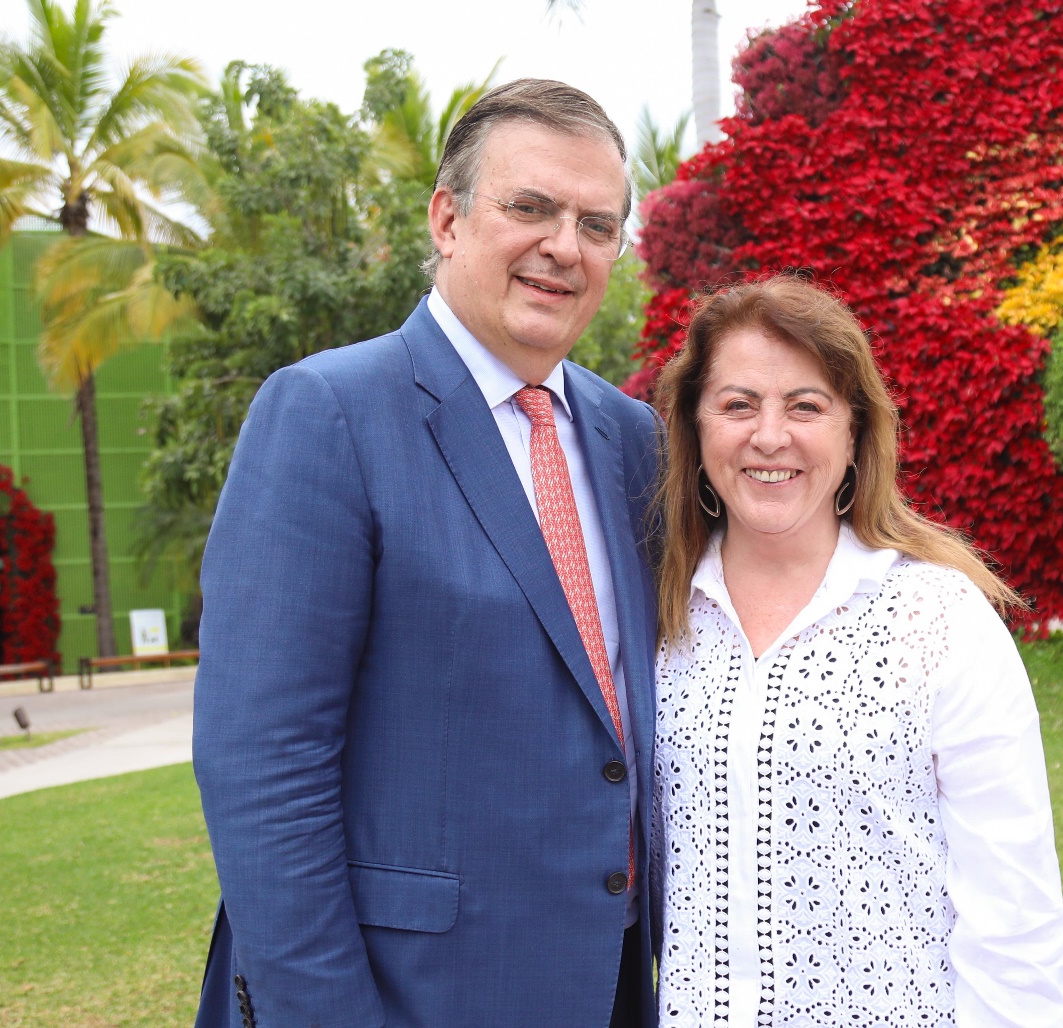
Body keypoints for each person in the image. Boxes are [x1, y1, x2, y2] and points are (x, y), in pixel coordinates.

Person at [193, 79, 662, 1028]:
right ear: (447, 218)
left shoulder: (635, 437)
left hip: (609, 984)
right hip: (407, 995)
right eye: (529, 207)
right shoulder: (327, 413)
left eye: (597, 224)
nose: (563, 247)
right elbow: (264, 765)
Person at [649, 277, 1063, 1027]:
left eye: (805, 405)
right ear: (695, 427)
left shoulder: (939, 618)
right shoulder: (652, 616)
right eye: (737, 404)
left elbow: (1013, 912)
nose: (769, 436)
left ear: (853, 433)